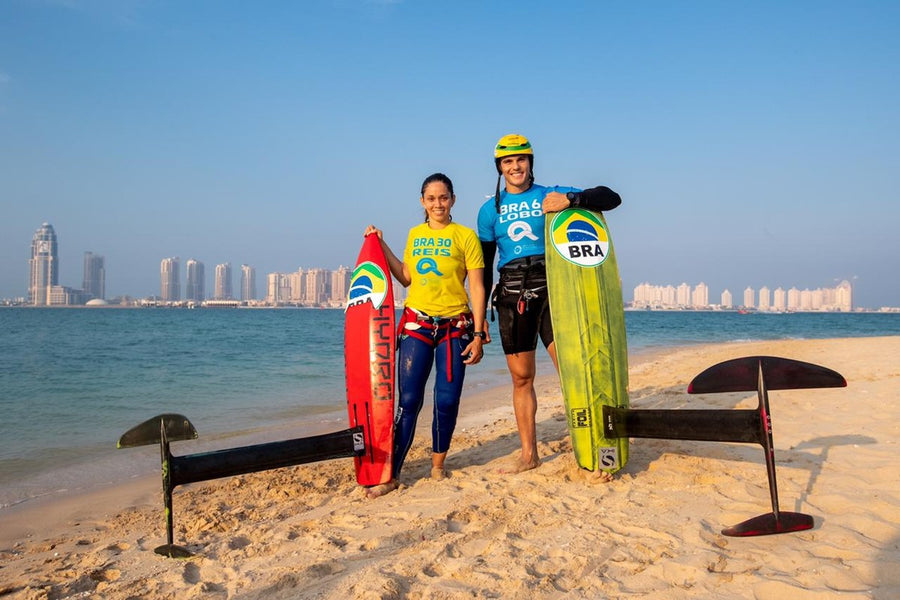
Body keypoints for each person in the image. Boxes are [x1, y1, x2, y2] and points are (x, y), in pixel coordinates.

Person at [476, 134, 622, 475]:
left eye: (521, 160)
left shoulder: (549, 194)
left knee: (574, 373)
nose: (515, 167)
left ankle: (591, 443)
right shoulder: (489, 210)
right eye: (508, 162)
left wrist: (572, 199)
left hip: (554, 291)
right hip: (512, 297)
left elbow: (611, 198)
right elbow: (482, 268)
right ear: (500, 168)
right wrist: (479, 318)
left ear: (530, 162)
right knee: (522, 379)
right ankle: (529, 455)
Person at [365, 172, 486, 499]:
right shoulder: (415, 234)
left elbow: (476, 286)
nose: (438, 204)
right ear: (422, 202)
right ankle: (392, 474)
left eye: (443, 197)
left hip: (455, 327)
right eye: (431, 198)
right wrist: (380, 243)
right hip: (416, 324)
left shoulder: (466, 237)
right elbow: (405, 276)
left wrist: (478, 331)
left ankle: (437, 465)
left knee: (446, 400)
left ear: (453, 200)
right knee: (408, 401)